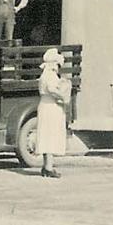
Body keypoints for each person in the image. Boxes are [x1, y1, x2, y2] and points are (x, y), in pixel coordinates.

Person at [35, 47, 69, 178]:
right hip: (50, 106)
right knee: (50, 135)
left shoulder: (46, 74)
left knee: (47, 135)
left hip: (47, 105)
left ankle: (46, 166)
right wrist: (62, 95)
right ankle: (49, 167)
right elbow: (51, 89)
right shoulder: (49, 75)